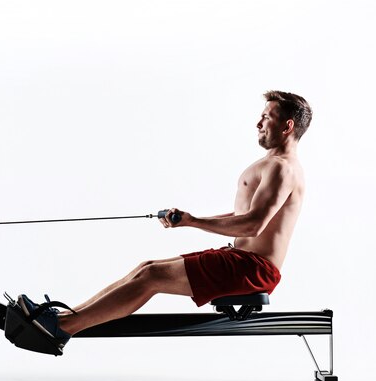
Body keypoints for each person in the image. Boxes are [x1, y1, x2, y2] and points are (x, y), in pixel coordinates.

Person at [18, 90, 313, 349]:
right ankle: (61, 319)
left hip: (252, 269)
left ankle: (62, 328)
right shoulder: (276, 166)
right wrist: (187, 219)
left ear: (287, 126)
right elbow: (244, 217)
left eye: (266, 117)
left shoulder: (282, 168)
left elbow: (252, 225)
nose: (258, 124)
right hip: (241, 261)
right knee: (147, 268)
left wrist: (193, 220)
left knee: (151, 278)